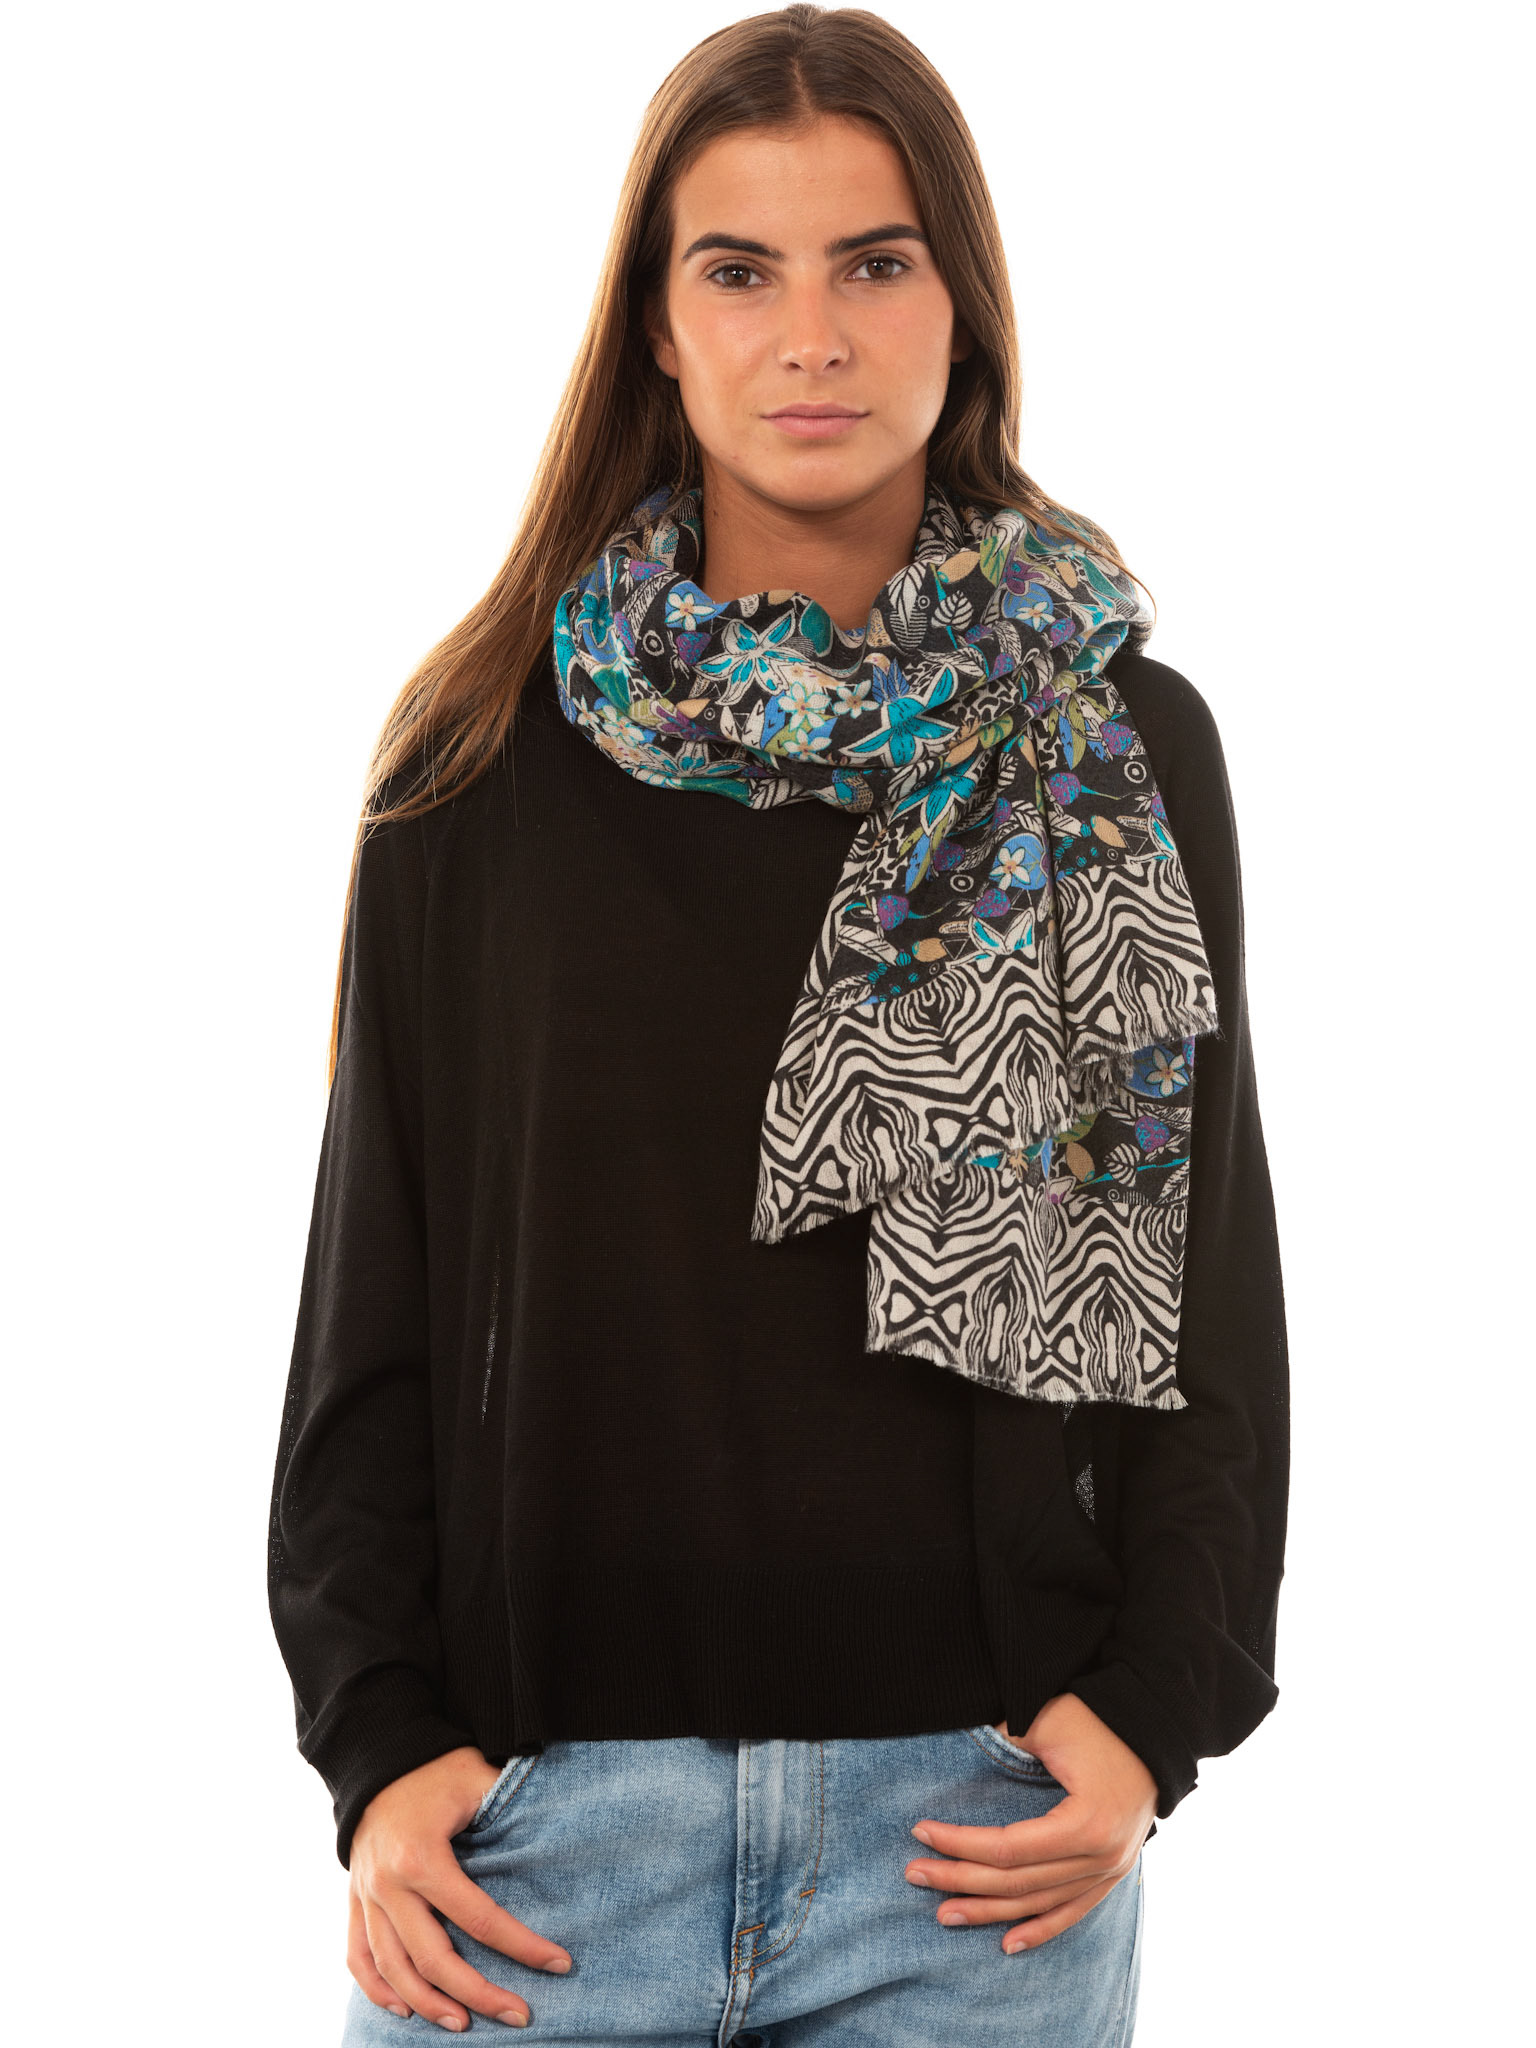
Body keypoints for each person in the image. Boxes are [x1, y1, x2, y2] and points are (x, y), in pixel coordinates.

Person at [267, 7, 1289, 2042]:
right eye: (740, 269)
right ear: (657, 325)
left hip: (975, 1855)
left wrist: (1153, 1712)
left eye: (874, 263)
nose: (810, 337)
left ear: (960, 306)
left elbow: (1205, 1280)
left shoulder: (1112, 746)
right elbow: (374, 1292)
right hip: (539, 1855)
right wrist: (376, 1747)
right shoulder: (480, 759)